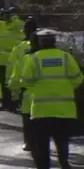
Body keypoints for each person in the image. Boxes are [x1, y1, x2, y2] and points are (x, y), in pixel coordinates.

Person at [21, 29, 83, 169]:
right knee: (62, 140)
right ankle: (64, 163)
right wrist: (65, 89)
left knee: (42, 143)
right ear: (54, 41)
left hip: (41, 110)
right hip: (64, 109)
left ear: (41, 42)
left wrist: (37, 90)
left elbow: (25, 81)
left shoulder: (35, 58)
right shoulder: (66, 57)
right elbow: (78, 79)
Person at [8, 26, 39, 152]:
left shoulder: (23, 53)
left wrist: (14, 94)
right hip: (54, 99)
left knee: (27, 121)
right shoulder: (62, 56)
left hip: (27, 95)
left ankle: (29, 143)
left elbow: (15, 76)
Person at [0, 7, 24, 111]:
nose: (6, 18)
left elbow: (20, 26)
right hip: (2, 60)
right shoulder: (2, 25)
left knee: (13, 83)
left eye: (8, 16)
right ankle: (4, 103)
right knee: (2, 83)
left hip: (15, 60)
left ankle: (14, 103)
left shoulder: (19, 25)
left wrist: (14, 17)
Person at [7, 17, 38, 114]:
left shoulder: (19, 48)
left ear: (25, 32)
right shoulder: (47, 50)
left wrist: (14, 95)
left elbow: (12, 72)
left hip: (26, 94)